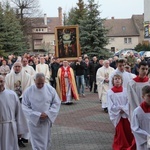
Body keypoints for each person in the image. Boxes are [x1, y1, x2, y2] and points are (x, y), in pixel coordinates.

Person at [22, 73, 61, 150]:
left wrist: (48, 113)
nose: (40, 85)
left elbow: (56, 103)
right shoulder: (28, 91)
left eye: (42, 83)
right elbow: (24, 106)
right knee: (35, 143)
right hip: (33, 122)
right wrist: (37, 115)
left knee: (46, 141)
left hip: (46, 120)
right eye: (38, 83)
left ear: (45, 81)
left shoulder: (50, 89)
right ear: (34, 81)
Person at [5, 61, 33, 147]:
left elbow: (28, 87)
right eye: (15, 66)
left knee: (23, 119)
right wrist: (12, 97)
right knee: (14, 119)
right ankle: (16, 138)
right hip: (12, 102)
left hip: (22, 101)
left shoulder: (27, 76)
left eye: (19, 66)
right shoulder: (8, 76)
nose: (17, 68)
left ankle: (24, 137)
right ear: (13, 67)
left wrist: (22, 97)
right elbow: (7, 88)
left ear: (21, 67)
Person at [107, 74, 135, 150]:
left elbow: (129, 102)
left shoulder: (126, 90)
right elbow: (110, 105)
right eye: (115, 79)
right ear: (113, 81)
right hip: (117, 115)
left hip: (126, 114)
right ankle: (121, 145)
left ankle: (130, 144)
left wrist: (124, 109)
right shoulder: (110, 92)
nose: (117, 80)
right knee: (120, 132)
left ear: (121, 81)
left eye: (119, 79)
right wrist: (119, 109)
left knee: (128, 130)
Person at [0, 75, 28, 150]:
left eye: (1, 81)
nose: (0, 84)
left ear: (4, 82)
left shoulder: (12, 94)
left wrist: (20, 130)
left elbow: (18, 113)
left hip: (10, 127)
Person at [131, 85, 150, 150]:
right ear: (143, 97)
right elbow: (135, 128)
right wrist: (147, 137)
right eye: (149, 96)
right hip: (144, 142)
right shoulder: (137, 111)